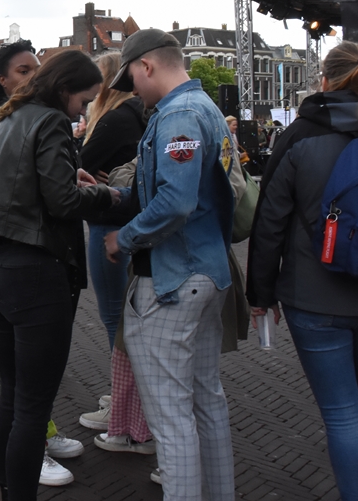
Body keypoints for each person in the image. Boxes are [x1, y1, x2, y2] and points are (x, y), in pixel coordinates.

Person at [247, 41, 358, 501]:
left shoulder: (300, 136)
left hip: (314, 297)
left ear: (325, 81)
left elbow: (269, 222)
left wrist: (260, 293)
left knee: (342, 413)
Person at [0, 49, 116, 497]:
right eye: (84, 99)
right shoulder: (50, 121)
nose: (85, 109)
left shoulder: (0, 119)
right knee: (34, 408)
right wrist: (108, 196)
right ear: (64, 90)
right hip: (36, 272)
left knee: (14, 399)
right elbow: (64, 203)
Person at [103, 29, 237, 501]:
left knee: (171, 415)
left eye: (133, 78)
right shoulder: (207, 109)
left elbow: (176, 201)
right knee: (206, 404)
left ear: (147, 66)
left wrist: (127, 235)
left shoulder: (177, 115)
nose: (134, 90)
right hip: (209, 272)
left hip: (173, 281)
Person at [79, 53, 146, 349]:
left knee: (113, 313)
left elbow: (75, 165)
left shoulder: (112, 121)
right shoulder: (139, 116)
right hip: (136, 222)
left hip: (108, 222)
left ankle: (123, 393)